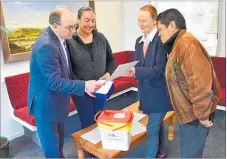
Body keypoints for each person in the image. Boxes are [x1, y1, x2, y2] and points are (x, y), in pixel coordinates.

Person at [28, 7, 102, 158]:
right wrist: (84, 85)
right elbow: (54, 82)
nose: (74, 31)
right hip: (46, 106)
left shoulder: (60, 38)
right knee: (52, 149)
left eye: (74, 26)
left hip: (57, 102)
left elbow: (65, 71)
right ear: (55, 25)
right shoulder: (46, 45)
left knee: (59, 143)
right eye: (70, 27)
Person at [156, 8, 220, 158]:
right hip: (190, 113)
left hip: (196, 115)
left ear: (172, 26)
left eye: (160, 29)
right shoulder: (178, 44)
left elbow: (200, 83)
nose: (159, 34)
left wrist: (203, 115)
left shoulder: (187, 43)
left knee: (189, 155)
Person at [128, 5, 172, 158]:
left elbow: (159, 69)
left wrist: (137, 71)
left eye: (144, 20)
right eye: (138, 20)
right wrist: (131, 70)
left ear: (155, 21)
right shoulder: (139, 41)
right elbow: (139, 64)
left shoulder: (162, 40)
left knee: (152, 128)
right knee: (157, 124)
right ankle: (161, 151)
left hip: (160, 93)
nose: (140, 24)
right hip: (145, 91)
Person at [67, 6, 115, 129]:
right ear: (78, 20)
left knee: (100, 118)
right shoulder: (69, 40)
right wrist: (84, 85)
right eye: (87, 20)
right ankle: (87, 147)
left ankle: (99, 146)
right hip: (81, 91)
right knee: (87, 122)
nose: (91, 24)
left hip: (100, 87)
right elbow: (68, 70)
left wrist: (108, 73)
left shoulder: (101, 37)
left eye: (93, 21)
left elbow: (111, 59)